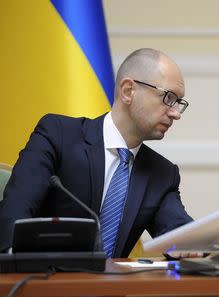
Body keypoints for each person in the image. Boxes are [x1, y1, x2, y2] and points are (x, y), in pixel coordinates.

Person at [0, 48, 193, 258]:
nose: (175, 113)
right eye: (169, 98)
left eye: (179, 103)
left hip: (112, 289)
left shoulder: (162, 173)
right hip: (43, 283)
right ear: (128, 91)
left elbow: (181, 236)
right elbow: (14, 216)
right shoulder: (58, 136)